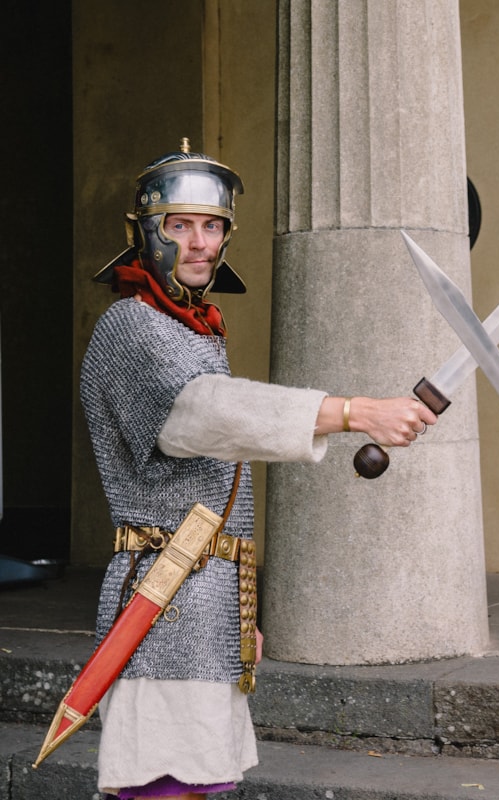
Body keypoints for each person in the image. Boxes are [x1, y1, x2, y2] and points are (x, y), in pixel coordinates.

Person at [80, 139, 438, 800]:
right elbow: (203, 414)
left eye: (211, 226)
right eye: (179, 225)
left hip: (202, 597)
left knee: (201, 781)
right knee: (163, 787)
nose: (198, 243)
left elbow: (218, 480)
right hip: (159, 598)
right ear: (145, 234)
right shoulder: (130, 326)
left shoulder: (193, 331)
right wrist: (356, 411)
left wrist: (237, 610)